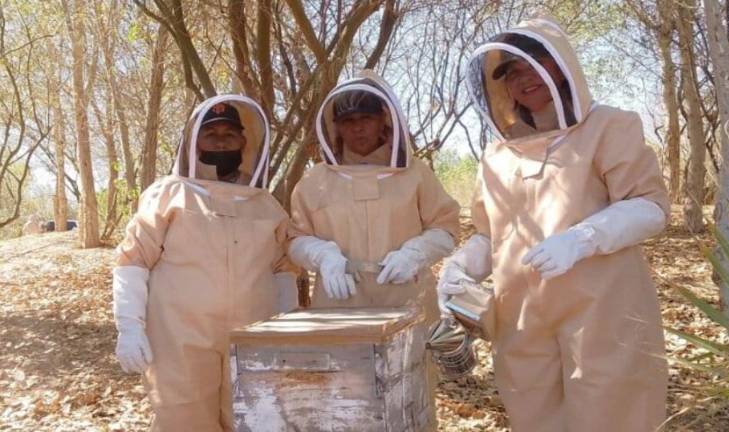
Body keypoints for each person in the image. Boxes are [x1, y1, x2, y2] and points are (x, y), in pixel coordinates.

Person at [438, 17, 670, 432]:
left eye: (534, 64)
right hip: (521, 319)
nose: (525, 79)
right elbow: (490, 235)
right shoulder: (497, 154)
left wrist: (584, 239)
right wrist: (460, 268)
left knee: (612, 412)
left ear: (561, 67)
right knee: (533, 415)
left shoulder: (609, 126)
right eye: (511, 73)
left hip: (602, 311)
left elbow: (650, 207)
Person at [112, 95, 298, 431]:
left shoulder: (266, 205)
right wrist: (129, 326)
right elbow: (133, 260)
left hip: (253, 337)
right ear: (195, 142)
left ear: (245, 141)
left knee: (254, 421)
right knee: (184, 421)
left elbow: (283, 269)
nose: (222, 140)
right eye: (212, 134)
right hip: (180, 341)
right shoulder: (168, 194)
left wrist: (288, 328)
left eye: (230, 134)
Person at [287, 70, 460, 430]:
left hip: (407, 301)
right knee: (342, 401)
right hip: (338, 306)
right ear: (335, 127)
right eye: (348, 121)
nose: (358, 129)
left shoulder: (416, 174)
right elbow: (294, 240)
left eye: (366, 117)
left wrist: (416, 252)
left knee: (411, 399)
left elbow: (446, 228)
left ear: (384, 119)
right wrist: (323, 256)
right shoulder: (315, 181)